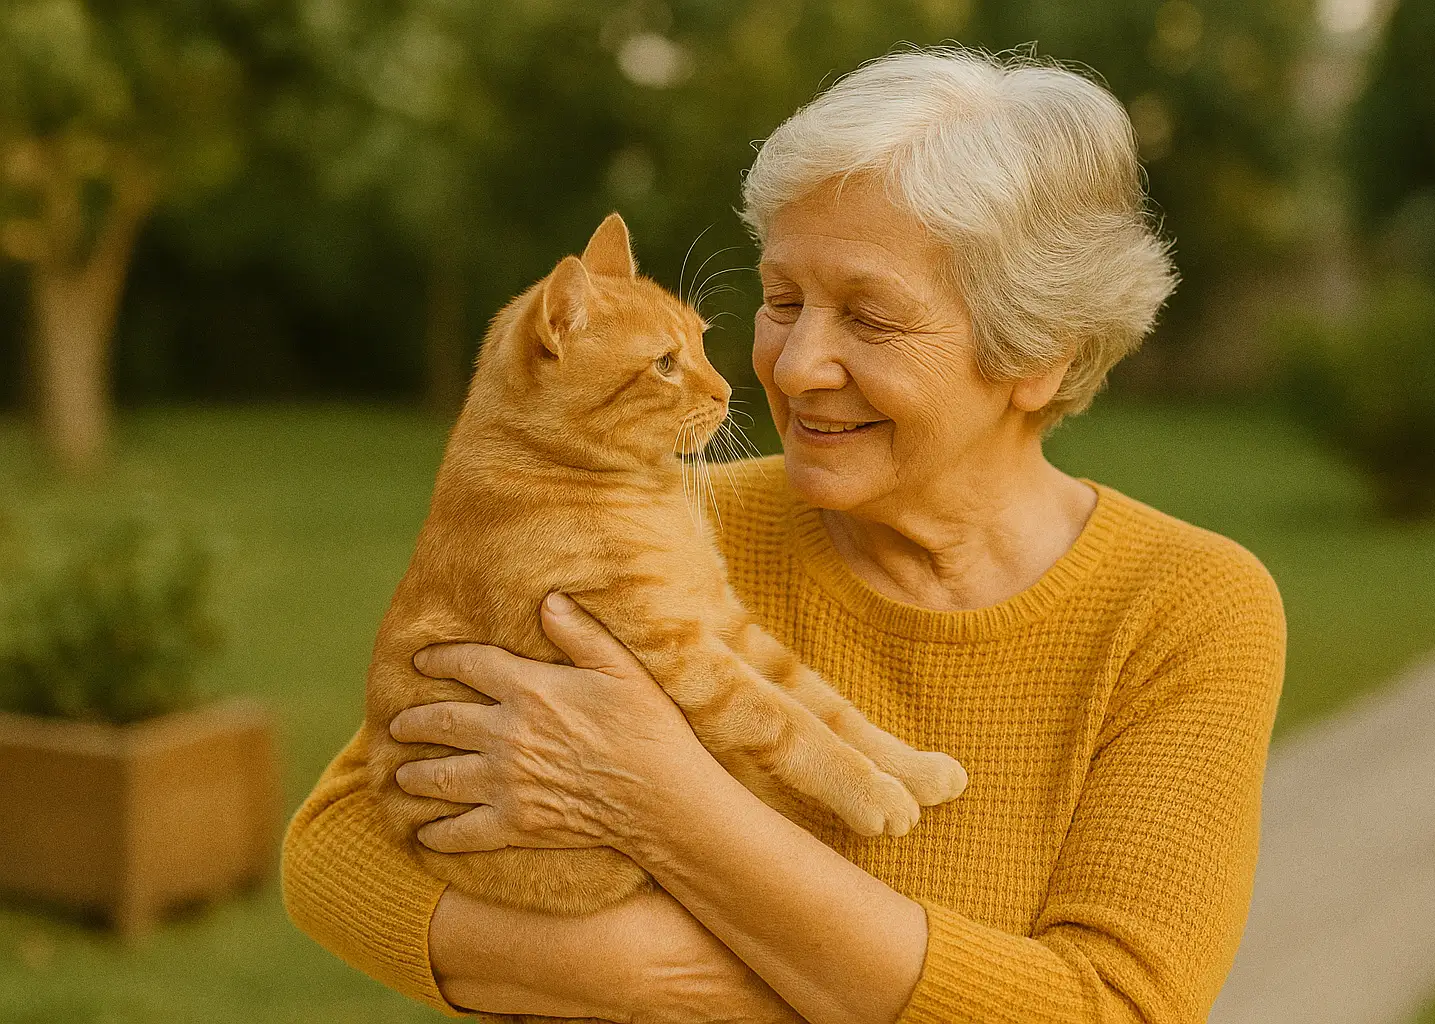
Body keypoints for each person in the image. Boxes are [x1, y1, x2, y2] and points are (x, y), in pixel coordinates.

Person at [282, 48, 1285, 1024]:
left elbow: (1115, 1008)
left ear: (1036, 353)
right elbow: (334, 849)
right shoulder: (653, 518)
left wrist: (667, 806)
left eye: (870, 317)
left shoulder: (1186, 607)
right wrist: (643, 975)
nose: (796, 364)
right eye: (781, 300)